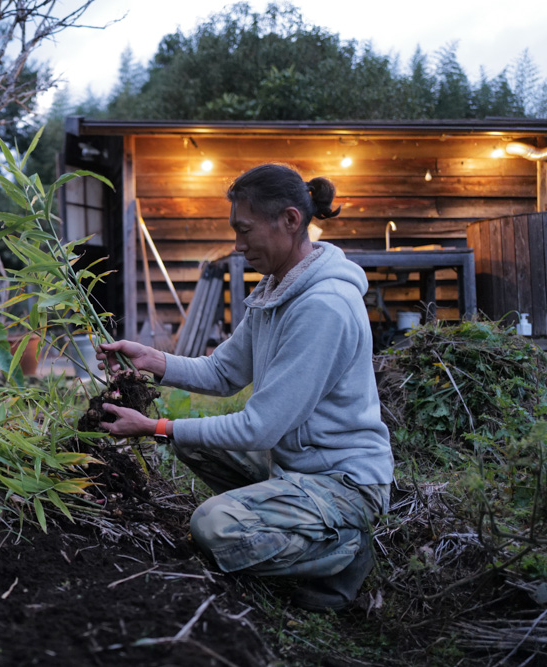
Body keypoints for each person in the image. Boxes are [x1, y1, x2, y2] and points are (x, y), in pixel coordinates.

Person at [96, 163, 394, 611]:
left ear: (290, 220)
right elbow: (222, 373)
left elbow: (260, 428)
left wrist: (155, 426)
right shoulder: (276, 290)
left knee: (213, 526)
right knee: (195, 443)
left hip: (345, 482)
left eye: (245, 230)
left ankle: (342, 551)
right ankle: (285, 515)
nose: (237, 245)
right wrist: (152, 360)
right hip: (297, 464)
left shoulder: (323, 306)